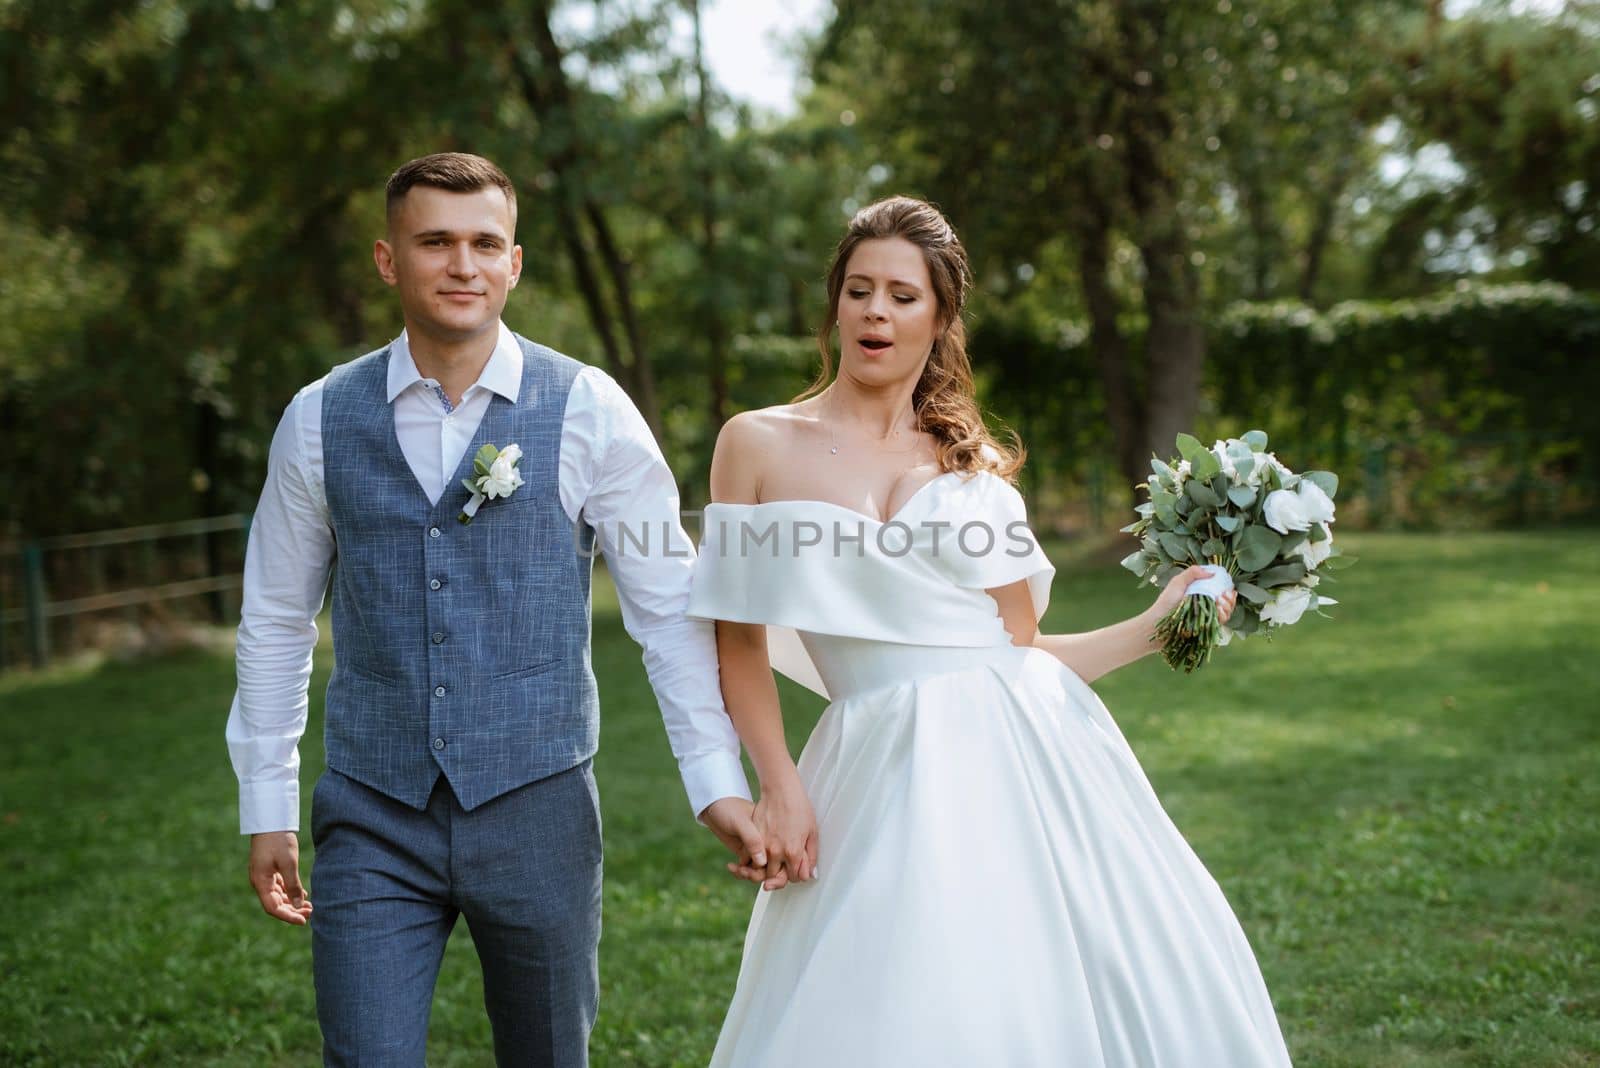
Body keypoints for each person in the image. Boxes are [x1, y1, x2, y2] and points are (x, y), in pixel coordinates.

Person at [687, 196, 1294, 1065]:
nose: (875, 312)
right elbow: (737, 643)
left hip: (1035, 756)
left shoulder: (973, 471)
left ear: (939, 318)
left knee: (1049, 984)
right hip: (875, 757)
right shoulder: (756, 444)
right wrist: (776, 784)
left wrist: (1156, 624)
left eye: (902, 295)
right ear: (834, 306)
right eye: (858, 290)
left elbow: (1018, 657)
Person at [224, 152, 763, 1067]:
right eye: (435, 241)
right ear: (389, 259)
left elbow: (668, 611)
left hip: (540, 804)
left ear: (515, 263)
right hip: (372, 810)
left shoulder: (589, 408)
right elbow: (276, 618)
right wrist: (266, 799)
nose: (461, 264)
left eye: (484, 243)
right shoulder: (317, 418)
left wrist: (715, 781)